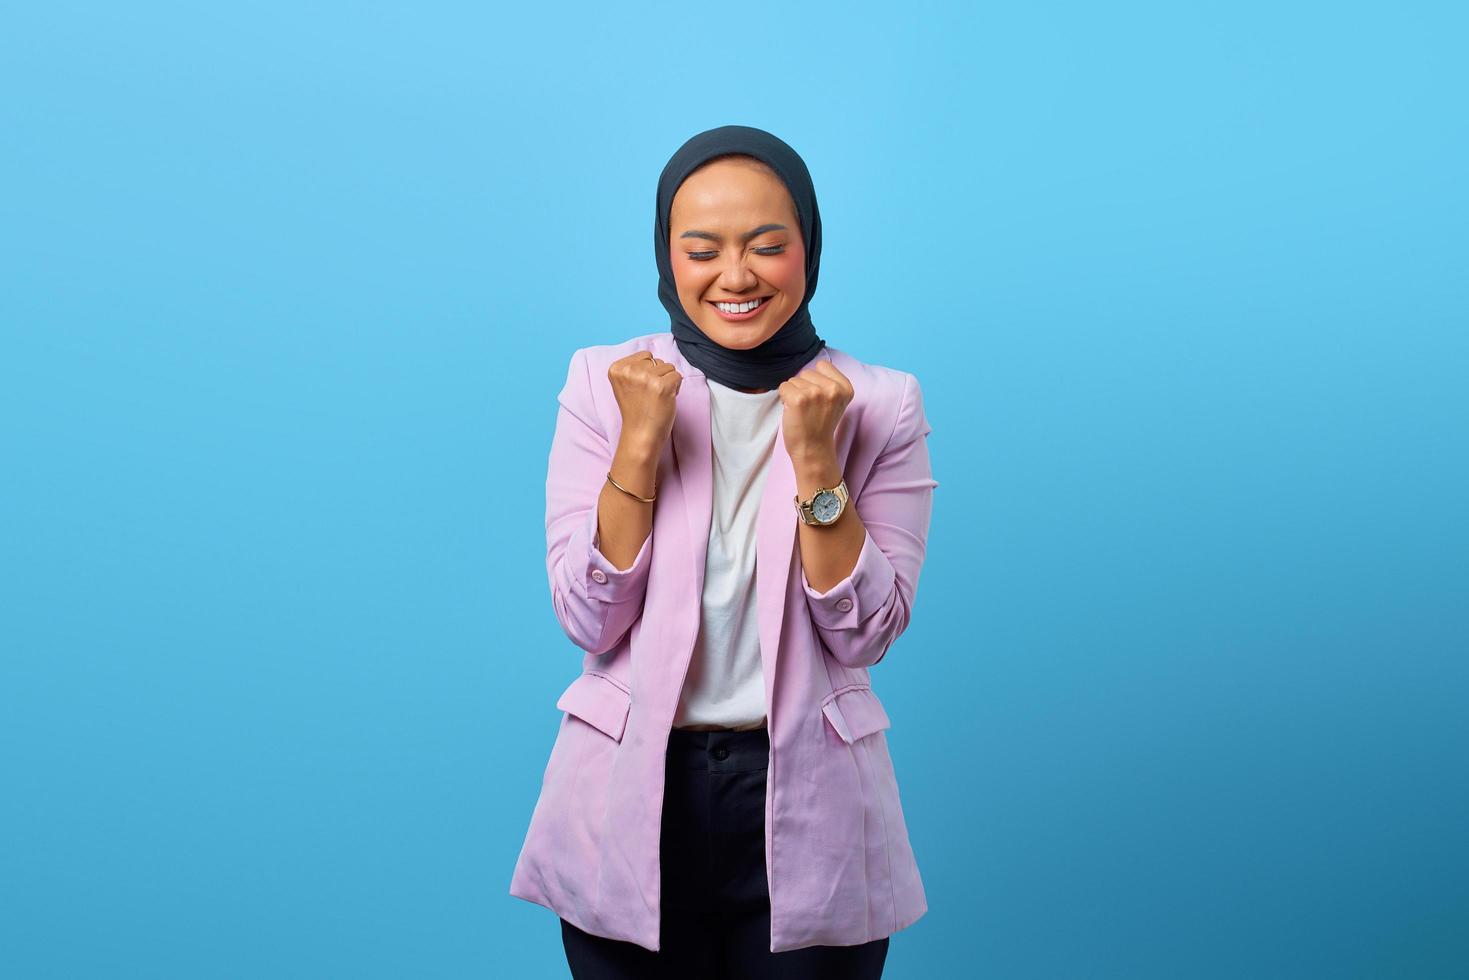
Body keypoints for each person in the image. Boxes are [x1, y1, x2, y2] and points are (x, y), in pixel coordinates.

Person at [509, 125, 939, 979]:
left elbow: (867, 635)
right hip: (629, 788)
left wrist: (818, 462)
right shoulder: (605, 383)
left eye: (766, 246)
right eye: (700, 249)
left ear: (807, 249)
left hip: (809, 797)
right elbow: (586, 613)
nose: (734, 276)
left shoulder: (881, 403)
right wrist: (638, 446)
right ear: (667, 258)